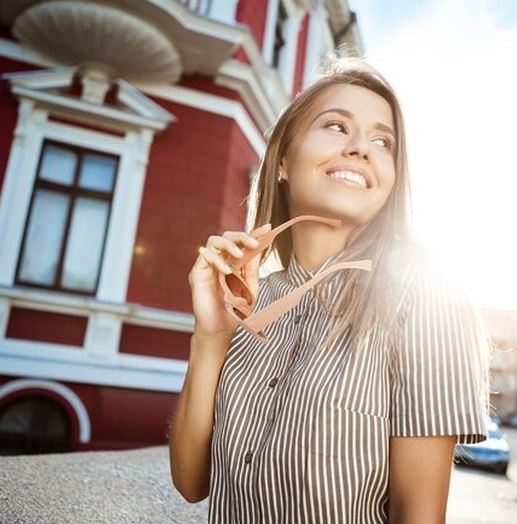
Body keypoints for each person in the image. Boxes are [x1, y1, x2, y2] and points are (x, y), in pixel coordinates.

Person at [169, 55, 490, 523]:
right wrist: (212, 335)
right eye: (337, 126)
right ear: (283, 160)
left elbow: (418, 515)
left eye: (383, 141)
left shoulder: (425, 294)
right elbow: (191, 481)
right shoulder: (252, 299)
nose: (362, 148)